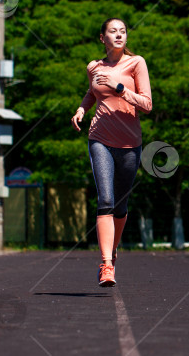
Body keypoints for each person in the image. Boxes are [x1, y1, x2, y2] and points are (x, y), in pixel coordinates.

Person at [71, 18, 152, 286]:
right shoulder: (93, 67)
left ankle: (113, 251)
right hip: (100, 139)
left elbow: (147, 104)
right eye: (113, 31)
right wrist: (82, 108)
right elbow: (92, 93)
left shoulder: (136, 63)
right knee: (105, 199)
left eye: (123, 31)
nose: (119, 35)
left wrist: (120, 88)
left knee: (120, 205)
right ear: (102, 38)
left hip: (130, 144)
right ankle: (106, 265)